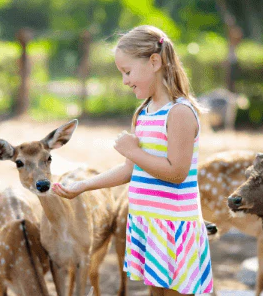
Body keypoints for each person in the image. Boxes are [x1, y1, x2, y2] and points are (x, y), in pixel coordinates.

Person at [53, 25, 213, 296]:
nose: (125, 81)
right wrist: (83, 186)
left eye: (127, 72)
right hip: (149, 225)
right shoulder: (144, 112)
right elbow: (130, 170)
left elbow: (177, 172)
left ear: (154, 62)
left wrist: (134, 151)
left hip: (173, 229)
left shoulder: (180, 113)